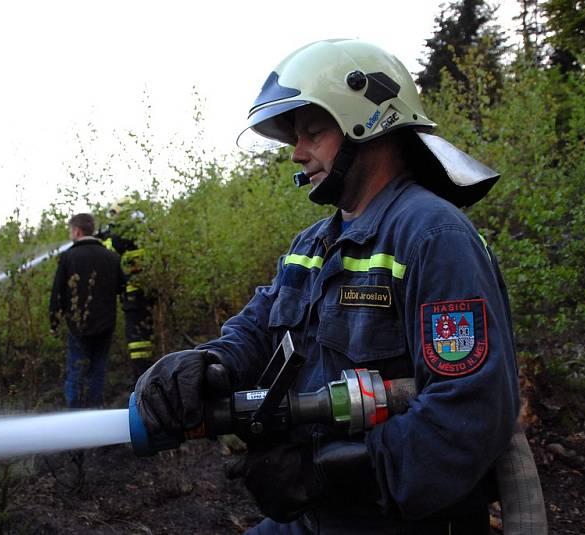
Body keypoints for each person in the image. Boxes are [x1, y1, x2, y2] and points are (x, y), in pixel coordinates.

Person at [135, 39, 520, 534]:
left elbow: (470, 413)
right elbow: (257, 329)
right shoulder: (313, 244)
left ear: (369, 123)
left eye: (313, 132)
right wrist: (207, 364)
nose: (297, 153)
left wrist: (323, 475)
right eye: (295, 137)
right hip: (319, 517)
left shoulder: (432, 237)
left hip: (394, 520)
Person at [50, 213, 125, 408]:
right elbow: (122, 288)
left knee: (76, 370)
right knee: (98, 371)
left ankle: (75, 414)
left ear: (77, 231)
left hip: (78, 327)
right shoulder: (112, 257)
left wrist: (54, 321)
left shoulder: (68, 257)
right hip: (106, 325)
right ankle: (94, 413)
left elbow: (57, 291)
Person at [97, 199, 157, 381]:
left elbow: (109, 252)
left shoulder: (122, 234)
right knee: (146, 333)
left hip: (134, 292)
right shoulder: (146, 229)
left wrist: (102, 238)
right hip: (149, 289)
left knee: (137, 338)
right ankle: (149, 370)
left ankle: (141, 375)